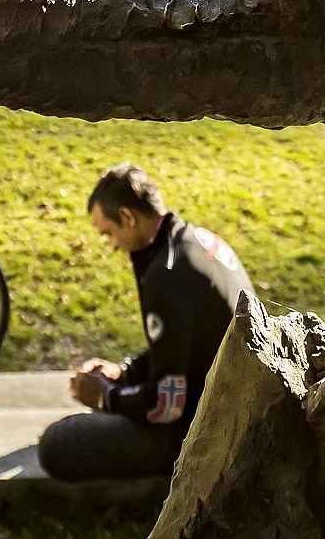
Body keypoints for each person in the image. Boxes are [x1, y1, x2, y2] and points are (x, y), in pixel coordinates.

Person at [43, 162, 251, 482]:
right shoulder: (193, 240)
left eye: (109, 234)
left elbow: (167, 407)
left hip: (212, 431)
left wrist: (105, 397)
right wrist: (124, 373)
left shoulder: (166, 275)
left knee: (57, 444)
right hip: (237, 403)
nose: (112, 246)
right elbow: (182, 347)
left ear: (128, 217)